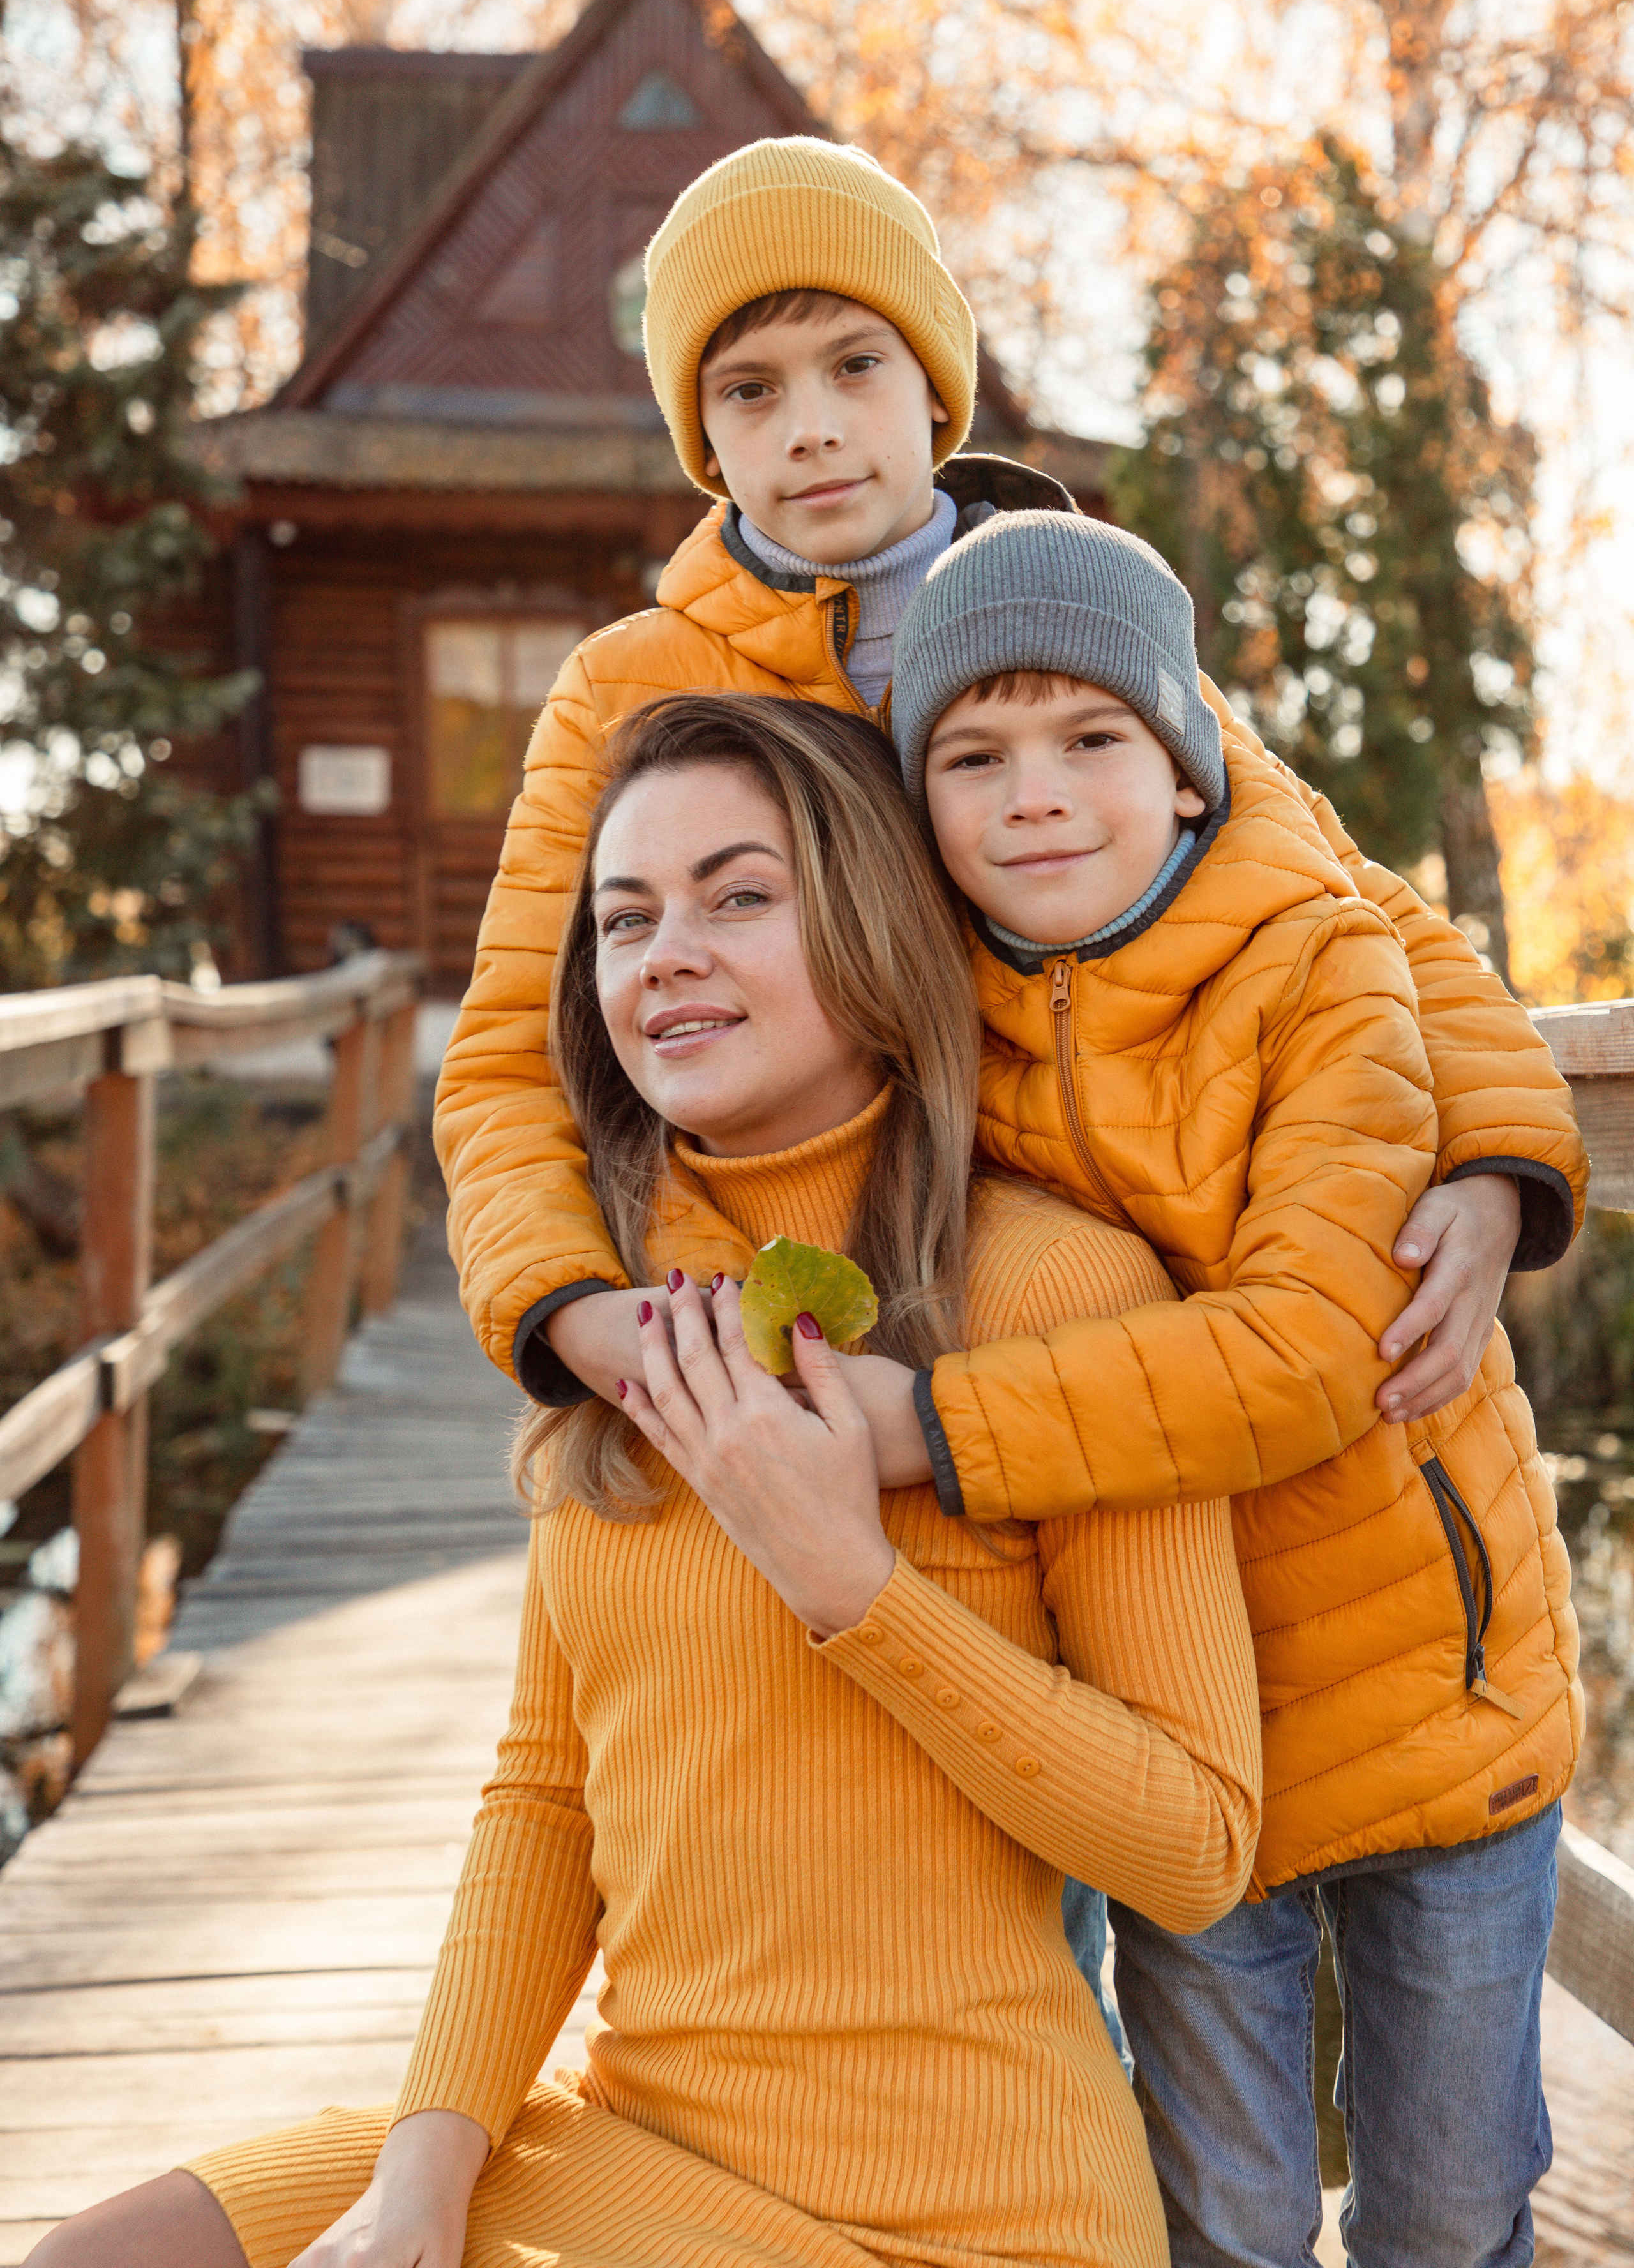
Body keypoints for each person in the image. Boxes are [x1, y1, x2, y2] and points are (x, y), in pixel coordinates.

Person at [33, 694, 1261, 2268]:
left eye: (737, 897)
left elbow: (1194, 1842)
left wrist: (855, 1587)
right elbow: (545, 1795)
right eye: (625, 920)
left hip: (972, 2208)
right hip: (634, 2147)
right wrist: (423, 2181)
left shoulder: (1055, 1299)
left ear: (874, 927)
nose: (664, 952)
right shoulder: (619, 1318)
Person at [435, 133, 1579, 1481]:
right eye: (747, 391)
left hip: (1075, 1279)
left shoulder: (1052, 610)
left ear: (934, 387)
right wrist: (565, 1307)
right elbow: (510, 1050)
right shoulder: (626, 687)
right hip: (763, 1296)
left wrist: (1500, 1163)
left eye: (854, 364)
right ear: (703, 438)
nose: (809, 427)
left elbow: (1338, 887)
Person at [885, 506, 1584, 2268]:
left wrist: (932, 1431)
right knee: (1229, 2224)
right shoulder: (929, 1013)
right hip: (1187, 1733)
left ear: (1194, 772)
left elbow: (1305, 1360)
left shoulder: (1319, 966)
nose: (1034, 791)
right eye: (974, 755)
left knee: (1446, 2210)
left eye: (1092, 739)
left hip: (1438, 1696)